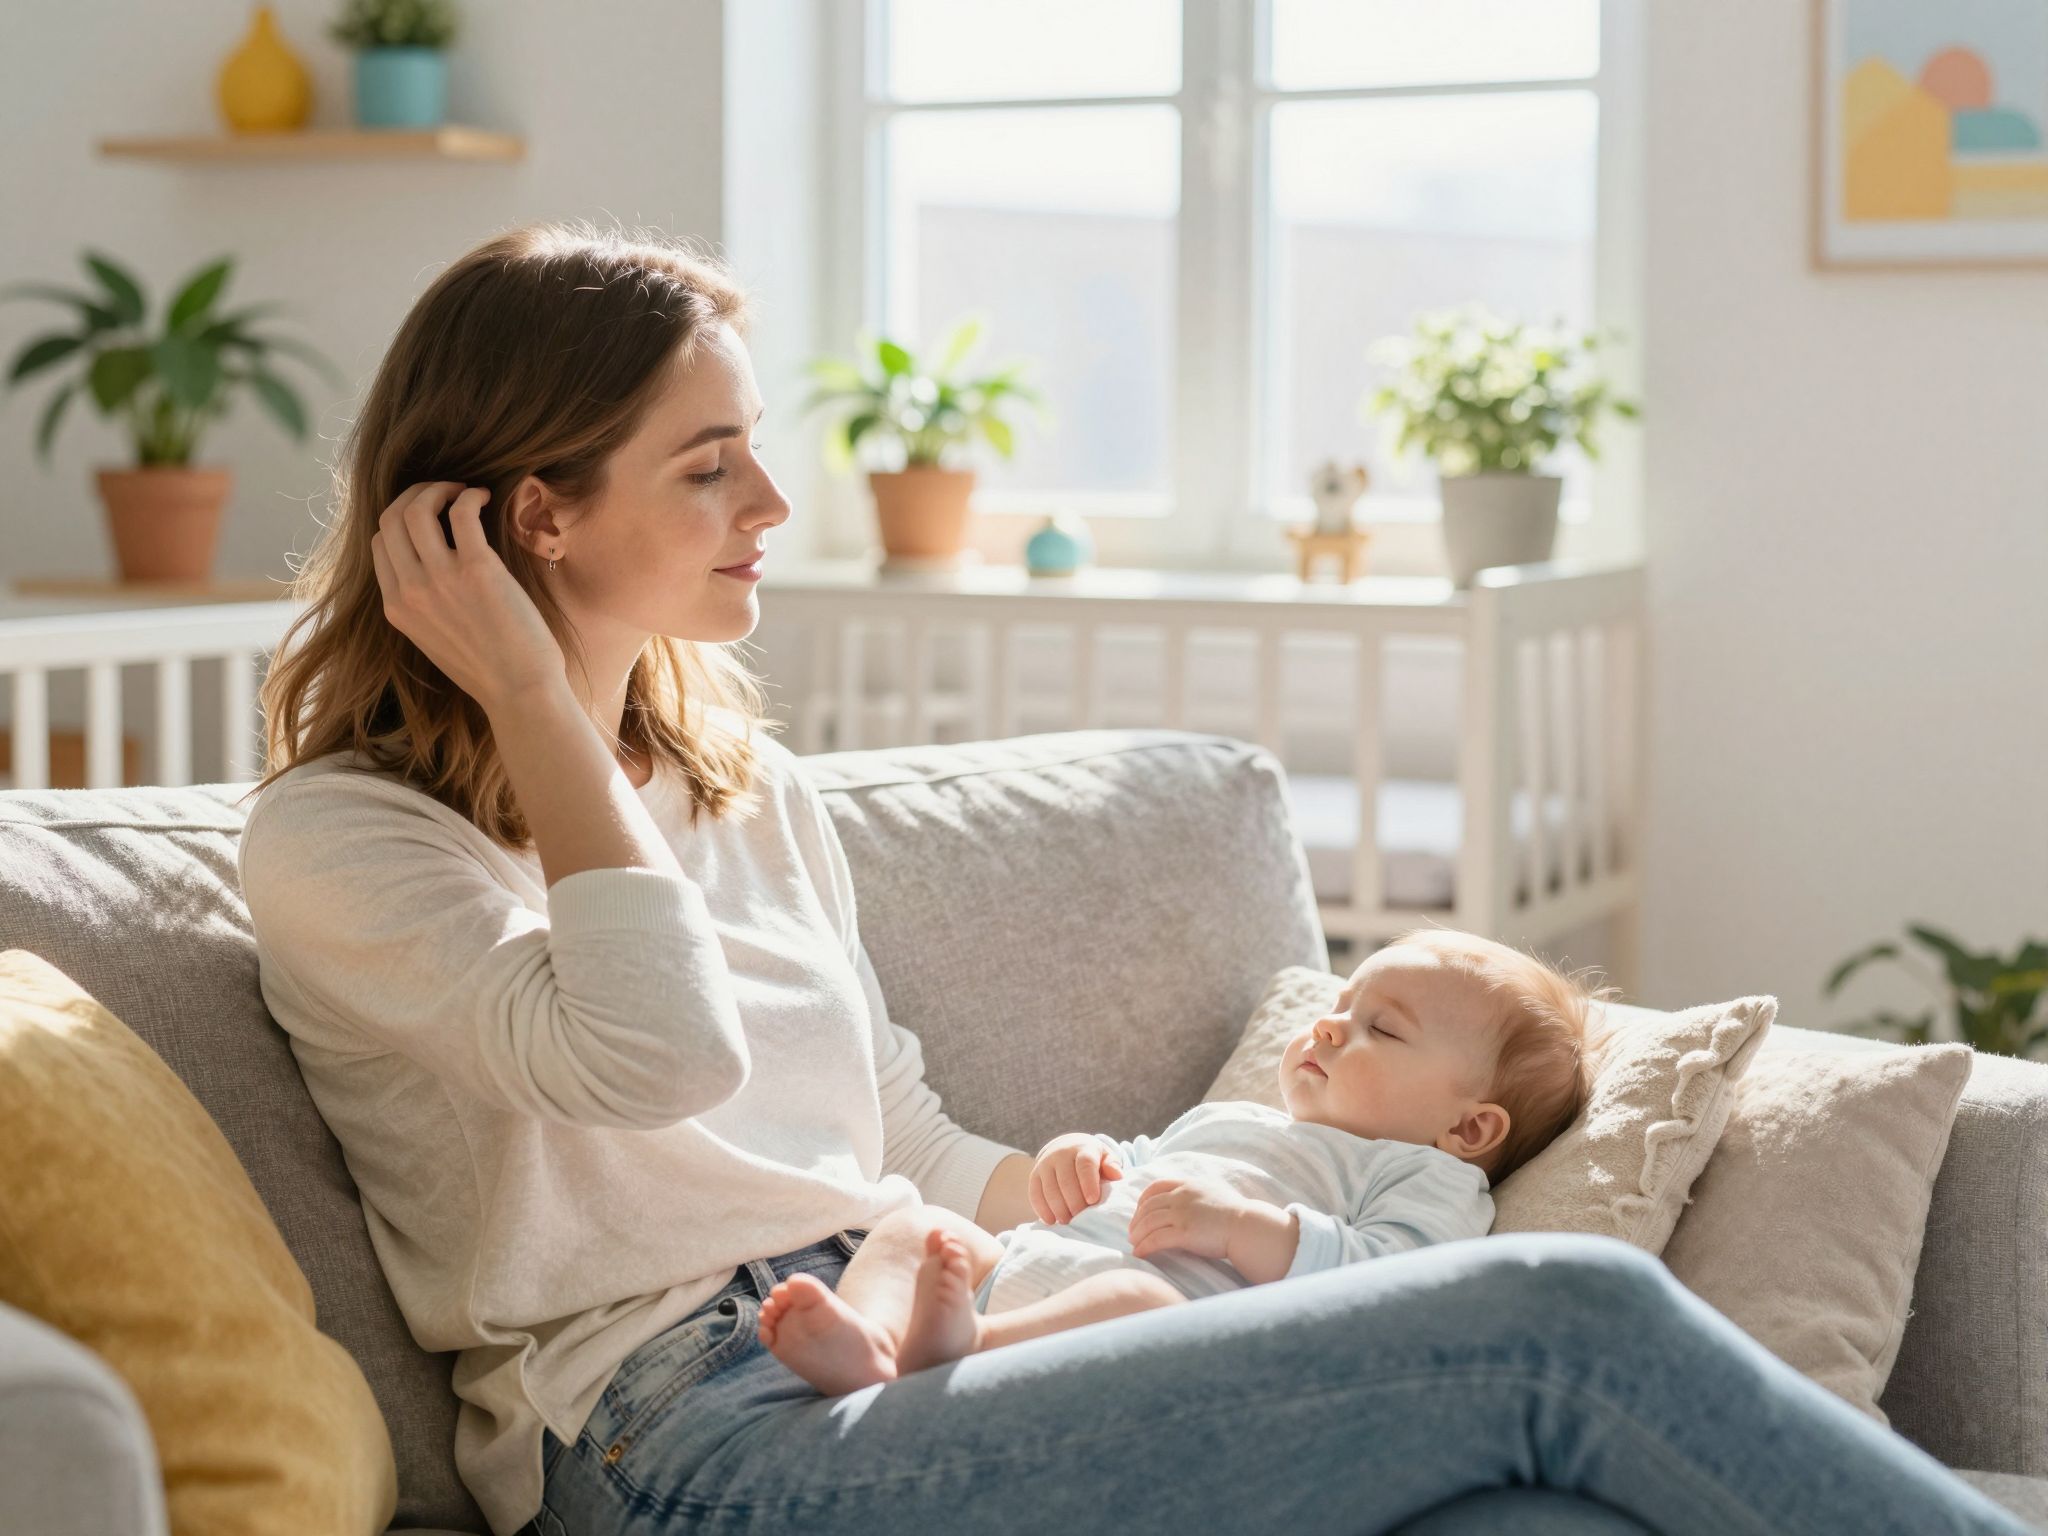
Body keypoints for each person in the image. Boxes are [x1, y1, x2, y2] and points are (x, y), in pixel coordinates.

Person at [235, 219, 2032, 1536]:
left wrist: (1086, 1193)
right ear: (526, 521)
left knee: (1524, 1514)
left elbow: (896, 1142)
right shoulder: (346, 839)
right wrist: (538, 702)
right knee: (1556, 1328)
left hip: (931, 1332)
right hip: (679, 1434)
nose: (776, 499)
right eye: (711, 469)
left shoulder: (742, 783)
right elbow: (658, 1060)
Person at [756, 929, 1588, 1391]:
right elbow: (1130, 1166)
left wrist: (1240, 1230)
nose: (1332, 1026)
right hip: (1031, 1261)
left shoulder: (1421, 1176)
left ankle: (964, 1349)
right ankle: (867, 1342)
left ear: (1469, 1129)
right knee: (917, 1226)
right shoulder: (1231, 1118)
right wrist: (1077, 1159)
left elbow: (1400, 1286)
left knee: (1135, 1296)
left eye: (1385, 1028)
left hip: (1150, 1328)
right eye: (1342, 1005)